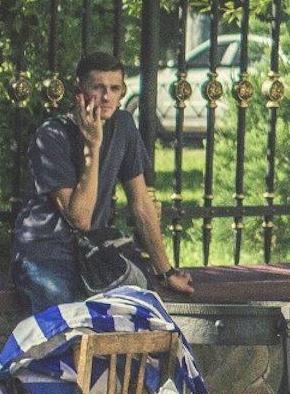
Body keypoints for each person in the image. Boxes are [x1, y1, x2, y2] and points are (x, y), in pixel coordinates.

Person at [11, 51, 195, 314]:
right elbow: (80, 218)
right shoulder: (51, 135)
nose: (107, 96)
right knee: (67, 327)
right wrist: (93, 147)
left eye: (114, 88)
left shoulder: (122, 125)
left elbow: (142, 204)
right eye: (98, 87)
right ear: (79, 89)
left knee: (141, 313)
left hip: (92, 255)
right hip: (46, 256)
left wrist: (166, 271)